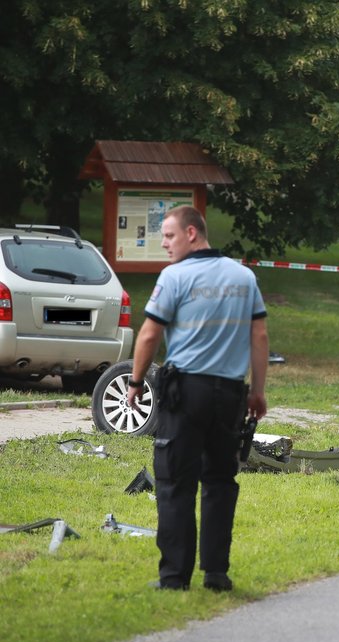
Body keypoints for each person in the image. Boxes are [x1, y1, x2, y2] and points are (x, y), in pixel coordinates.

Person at [127, 205, 269, 590]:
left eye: (169, 236)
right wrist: (257, 391)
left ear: (192, 233)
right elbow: (259, 337)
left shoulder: (175, 276)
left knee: (174, 482)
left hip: (186, 394)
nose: (164, 244)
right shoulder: (243, 276)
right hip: (229, 396)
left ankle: (174, 577)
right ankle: (216, 573)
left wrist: (136, 381)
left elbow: (149, 335)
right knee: (221, 481)